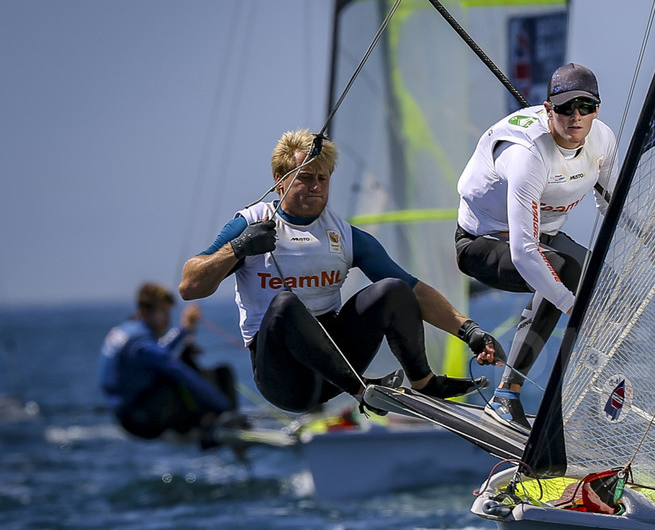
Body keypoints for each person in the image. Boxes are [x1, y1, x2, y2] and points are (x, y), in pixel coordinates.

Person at [180, 129, 504, 415]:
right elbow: (189, 286)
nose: (316, 187)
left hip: (334, 369)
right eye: (305, 177)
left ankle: (424, 382)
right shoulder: (249, 223)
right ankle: (364, 391)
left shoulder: (344, 236)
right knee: (285, 305)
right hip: (284, 380)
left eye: (323, 179)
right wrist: (238, 248)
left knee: (393, 289)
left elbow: (414, 290)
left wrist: (470, 331)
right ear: (280, 181)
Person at [455, 63, 619, 429]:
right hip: (484, 240)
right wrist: (570, 307)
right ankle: (506, 397)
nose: (575, 117)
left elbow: (611, 206)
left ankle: (591, 397)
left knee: (604, 285)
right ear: (549, 110)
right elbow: (524, 252)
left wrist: (647, 244)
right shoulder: (528, 155)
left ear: (597, 109)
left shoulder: (603, 140)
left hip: (544, 238)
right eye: (564, 108)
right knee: (561, 274)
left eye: (585, 106)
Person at [99, 282, 238, 445]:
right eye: (163, 312)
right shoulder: (140, 344)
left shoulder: (128, 329)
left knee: (179, 364)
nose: (167, 319)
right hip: (138, 420)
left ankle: (215, 419)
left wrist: (184, 329)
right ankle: (213, 427)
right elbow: (181, 373)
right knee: (192, 370)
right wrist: (224, 407)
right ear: (145, 311)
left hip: (124, 412)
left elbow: (159, 351)